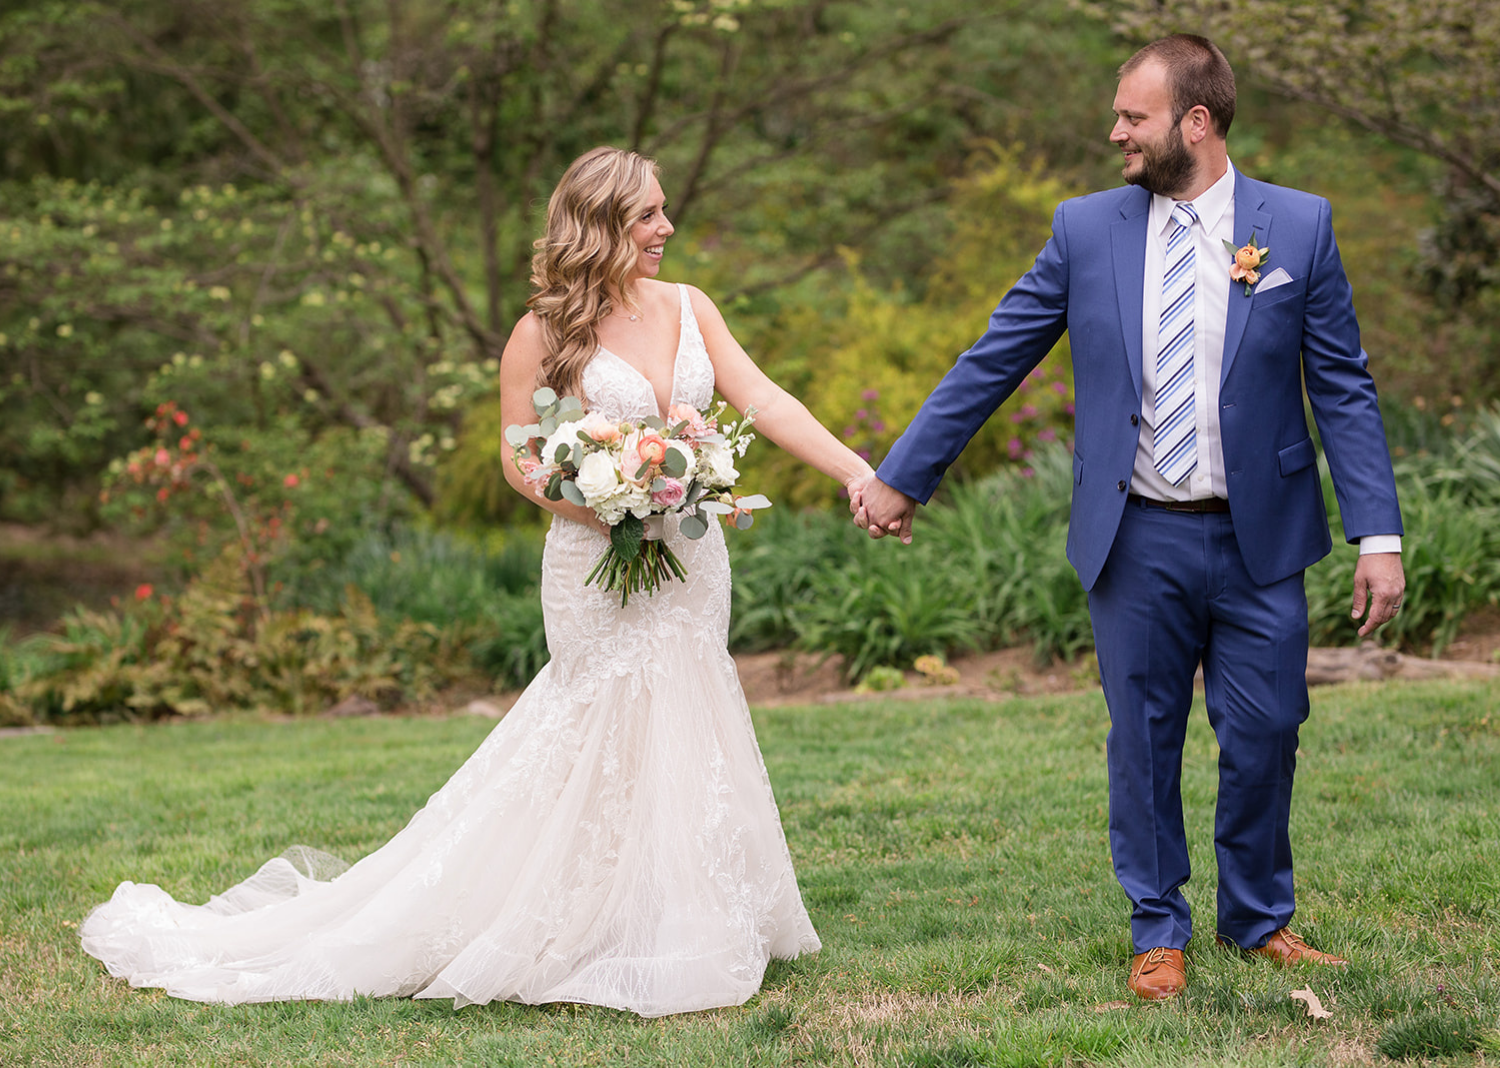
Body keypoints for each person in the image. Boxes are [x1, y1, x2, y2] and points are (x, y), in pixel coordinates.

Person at [81, 146, 874, 1016]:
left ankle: (681, 921)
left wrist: (855, 473)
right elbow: (519, 460)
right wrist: (611, 504)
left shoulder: (692, 308)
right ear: (601, 223)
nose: (666, 229)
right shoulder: (541, 333)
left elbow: (763, 399)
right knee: (596, 732)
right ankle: (559, 923)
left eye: (663, 211)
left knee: (688, 712)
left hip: (688, 564)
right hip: (594, 563)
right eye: (648, 214)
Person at [851, 35, 1404, 1000]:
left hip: (1261, 536)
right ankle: (1159, 927)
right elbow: (996, 357)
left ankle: (1258, 918)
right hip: (1136, 532)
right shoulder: (1086, 228)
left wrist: (1379, 533)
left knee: (1269, 728)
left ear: (1195, 122)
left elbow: (1344, 387)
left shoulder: (1301, 228)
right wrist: (905, 475)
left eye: (1132, 117)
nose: (1115, 132)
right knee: (1143, 737)